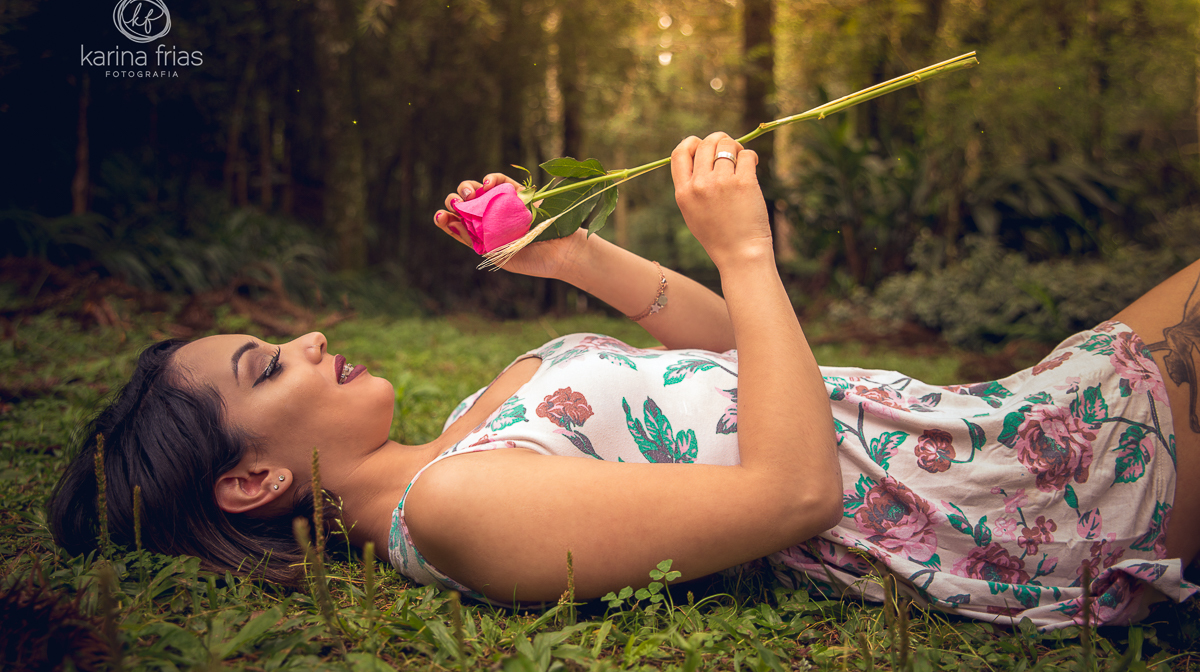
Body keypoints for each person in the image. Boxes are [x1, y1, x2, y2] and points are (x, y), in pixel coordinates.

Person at [50, 133, 1199, 629]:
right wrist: (745, 251)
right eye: (266, 364)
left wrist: (575, 257)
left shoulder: (474, 419)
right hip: (1015, 501)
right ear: (249, 479)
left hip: (992, 417)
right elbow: (794, 493)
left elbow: (733, 357)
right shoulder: (456, 510)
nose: (305, 340)